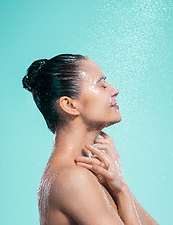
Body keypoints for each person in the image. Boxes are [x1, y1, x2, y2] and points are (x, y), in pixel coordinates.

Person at [22, 54, 159, 225]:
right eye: (102, 85)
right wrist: (122, 192)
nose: (115, 90)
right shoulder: (73, 179)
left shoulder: (84, 173)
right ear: (70, 105)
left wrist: (120, 187)